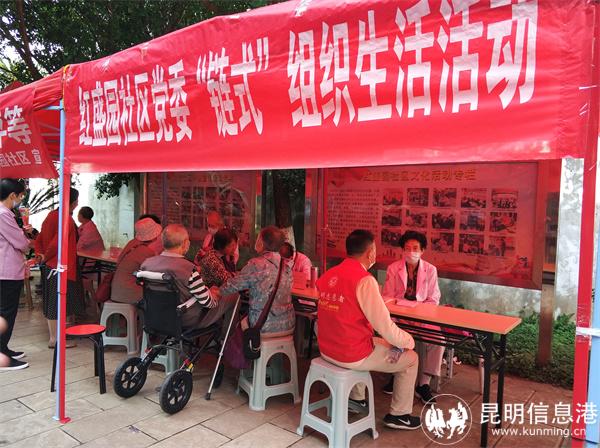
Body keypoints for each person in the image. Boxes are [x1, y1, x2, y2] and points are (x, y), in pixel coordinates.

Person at [316, 229, 420, 430]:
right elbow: (385, 327)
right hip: (351, 354)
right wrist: (409, 341)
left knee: (371, 340)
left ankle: (357, 399)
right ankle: (400, 415)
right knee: (411, 358)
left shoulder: (329, 274)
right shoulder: (364, 280)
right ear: (370, 252)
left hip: (327, 349)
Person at [383, 230, 443, 404]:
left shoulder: (430, 270)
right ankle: (395, 374)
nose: (411, 252)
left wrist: (418, 311)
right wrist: (400, 310)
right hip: (399, 315)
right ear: (402, 250)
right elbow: (387, 296)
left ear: (422, 250)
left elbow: (434, 299)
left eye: (415, 248)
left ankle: (423, 383)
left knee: (438, 340)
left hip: (422, 316)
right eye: (407, 248)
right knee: (393, 334)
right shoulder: (393, 268)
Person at [141, 224, 236, 331]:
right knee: (233, 296)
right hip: (186, 319)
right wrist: (214, 295)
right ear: (185, 243)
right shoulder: (188, 269)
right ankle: (228, 338)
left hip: (155, 317)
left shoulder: (146, 264)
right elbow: (207, 302)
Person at [219, 226, 294, 337]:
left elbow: (230, 287)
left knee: (237, 325)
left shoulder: (255, 264)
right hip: (288, 324)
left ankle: (227, 344)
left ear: (262, 243)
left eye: (258, 238)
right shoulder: (286, 267)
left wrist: (216, 290)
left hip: (263, 325)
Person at [35, 187, 84, 349]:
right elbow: (57, 243)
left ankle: (57, 336)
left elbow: (40, 238)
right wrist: (46, 256)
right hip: (60, 266)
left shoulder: (51, 215)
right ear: (74, 202)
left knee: (52, 301)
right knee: (57, 302)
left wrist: (41, 255)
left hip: (50, 266)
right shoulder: (66, 219)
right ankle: (55, 339)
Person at [0, 179, 32, 370]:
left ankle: (3, 348)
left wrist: (21, 233)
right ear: (12, 195)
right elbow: (21, 244)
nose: (20, 200)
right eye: (20, 196)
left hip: (6, 270)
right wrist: (25, 238)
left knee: (5, 312)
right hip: (7, 271)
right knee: (5, 314)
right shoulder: (4, 214)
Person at [110, 217, 162, 304]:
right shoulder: (145, 251)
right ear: (155, 236)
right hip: (128, 293)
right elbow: (155, 273)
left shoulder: (132, 243)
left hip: (117, 290)